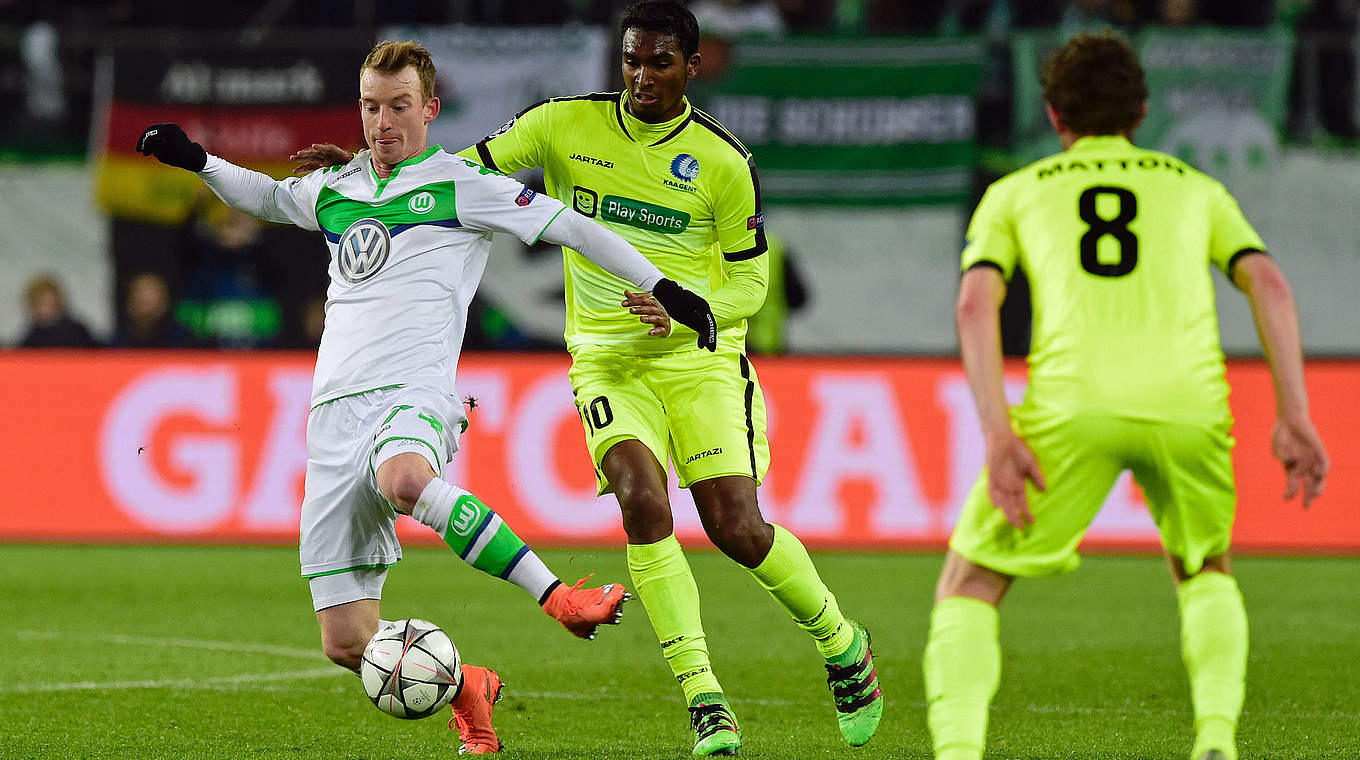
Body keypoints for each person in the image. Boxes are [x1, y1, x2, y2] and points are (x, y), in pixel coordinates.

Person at [292, 3, 881, 755]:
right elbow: (451, 176)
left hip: (696, 357)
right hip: (605, 359)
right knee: (641, 501)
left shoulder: (724, 162)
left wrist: (693, 309)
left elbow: (752, 284)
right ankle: (704, 698)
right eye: (632, 60)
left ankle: (840, 642)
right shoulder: (561, 123)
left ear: (692, 67)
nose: (643, 76)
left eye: (660, 62)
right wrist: (362, 171)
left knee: (735, 528)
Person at [136, 39, 719, 756]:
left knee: (406, 480)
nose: (383, 122)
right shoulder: (339, 187)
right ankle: (469, 686)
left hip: (414, 392)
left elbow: (570, 225)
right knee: (347, 644)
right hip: (333, 415)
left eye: (399, 106)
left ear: (430, 109)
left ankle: (558, 597)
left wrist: (664, 287)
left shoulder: (462, 184)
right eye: (371, 107)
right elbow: (273, 198)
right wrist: (198, 160)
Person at [926, 31, 1330, 760]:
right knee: (1204, 567)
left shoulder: (1015, 192)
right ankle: (1215, 740)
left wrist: (998, 431)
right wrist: (1294, 412)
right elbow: (1269, 283)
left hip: (1072, 406)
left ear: (1054, 115)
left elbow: (974, 304)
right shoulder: (1195, 187)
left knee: (971, 582)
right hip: (1189, 404)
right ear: (1142, 112)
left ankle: (958, 752)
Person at [17, 274, 100, 348]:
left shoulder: (77, 332)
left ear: (59, 303)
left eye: (50, 304)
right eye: (40, 304)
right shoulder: (31, 338)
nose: (45, 310)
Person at [109, 272, 189, 348]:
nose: (145, 299)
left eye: (152, 294)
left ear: (165, 301)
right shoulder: (117, 341)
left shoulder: (183, 340)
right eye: (140, 292)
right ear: (129, 301)